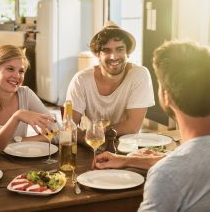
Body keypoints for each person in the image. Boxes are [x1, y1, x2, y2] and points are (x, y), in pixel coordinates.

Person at [94, 40, 210, 211]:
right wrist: (127, 160)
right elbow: (195, 162)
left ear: (165, 96)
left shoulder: (167, 175)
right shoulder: (178, 167)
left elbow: (180, 168)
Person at [66, 21, 154, 138]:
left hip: (125, 146)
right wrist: (90, 138)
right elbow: (68, 127)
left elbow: (132, 127)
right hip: (89, 146)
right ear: (97, 54)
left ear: (127, 52)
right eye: (107, 50)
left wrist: (96, 134)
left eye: (119, 49)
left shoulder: (139, 74)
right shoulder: (81, 80)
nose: (114, 56)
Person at [0, 45, 54, 156]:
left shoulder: (25, 94)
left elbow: (55, 132)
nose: (17, 76)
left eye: (21, 71)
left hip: (15, 165)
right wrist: (17, 116)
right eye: (10, 69)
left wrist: (18, 140)